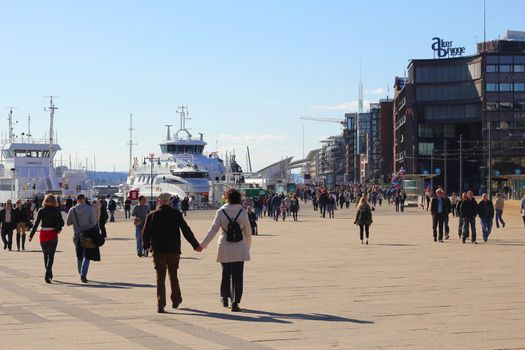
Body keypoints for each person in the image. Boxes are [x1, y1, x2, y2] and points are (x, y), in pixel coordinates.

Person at [142, 193, 201, 313]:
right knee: (173, 275)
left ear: (159, 201)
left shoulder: (152, 215)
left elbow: (145, 233)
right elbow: (186, 230)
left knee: (160, 277)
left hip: (158, 251)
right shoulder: (176, 214)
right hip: (174, 250)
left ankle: (160, 304)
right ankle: (176, 299)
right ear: (169, 201)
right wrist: (195, 245)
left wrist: (146, 246)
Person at [200, 189, 251, 312]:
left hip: (225, 246)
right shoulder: (243, 212)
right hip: (239, 247)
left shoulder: (221, 212)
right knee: (238, 276)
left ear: (227, 198)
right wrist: (247, 247)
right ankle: (236, 302)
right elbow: (248, 232)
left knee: (225, 274)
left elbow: (213, 230)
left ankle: (225, 297)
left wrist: (202, 245)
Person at [28, 194, 64, 283]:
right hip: (52, 234)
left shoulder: (41, 210)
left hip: (43, 234)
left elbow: (36, 224)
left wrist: (31, 236)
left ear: (45, 200)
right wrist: (57, 228)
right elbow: (62, 223)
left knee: (45, 255)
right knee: (51, 256)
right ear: (54, 201)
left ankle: (48, 273)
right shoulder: (56, 210)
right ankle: (47, 275)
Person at [66, 194, 99, 283]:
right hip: (87, 235)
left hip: (77, 236)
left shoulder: (72, 210)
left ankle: (80, 271)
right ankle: (83, 274)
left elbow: (68, 223)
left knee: (79, 255)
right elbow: (94, 222)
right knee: (87, 255)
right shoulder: (89, 209)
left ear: (77, 200)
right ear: (84, 199)